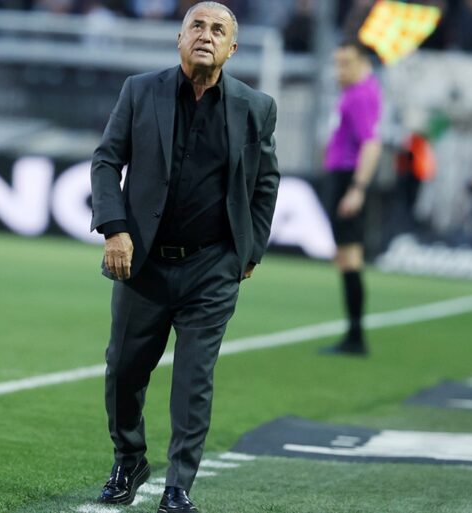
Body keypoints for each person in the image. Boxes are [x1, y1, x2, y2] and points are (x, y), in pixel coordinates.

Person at [89, 2, 280, 511]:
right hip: (143, 261)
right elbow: (106, 161)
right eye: (196, 25)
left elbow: (265, 182)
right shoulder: (139, 90)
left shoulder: (256, 107)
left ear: (232, 48)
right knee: (124, 370)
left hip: (211, 267)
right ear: (179, 38)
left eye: (218, 30)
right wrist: (114, 229)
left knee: (194, 380)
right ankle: (129, 459)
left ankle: (178, 486)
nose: (205, 35)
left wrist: (250, 250)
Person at [319, 40, 383, 356]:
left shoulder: (360, 95)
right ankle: (353, 335)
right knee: (345, 257)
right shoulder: (357, 92)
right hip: (342, 177)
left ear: (362, 64)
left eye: (345, 63)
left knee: (350, 257)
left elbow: (372, 143)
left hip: (348, 178)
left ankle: (355, 337)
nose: (339, 70)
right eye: (337, 63)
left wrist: (357, 188)